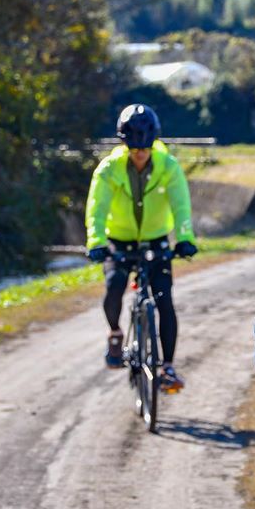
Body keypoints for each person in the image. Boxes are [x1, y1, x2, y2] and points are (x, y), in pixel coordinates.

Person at [86, 104, 198, 393]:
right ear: (124, 144)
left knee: (165, 302)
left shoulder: (168, 166)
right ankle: (115, 333)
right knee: (113, 286)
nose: (140, 154)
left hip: (156, 239)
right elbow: (96, 208)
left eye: (145, 148)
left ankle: (168, 367)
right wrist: (96, 242)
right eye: (134, 148)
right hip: (119, 240)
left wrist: (185, 238)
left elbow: (181, 205)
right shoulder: (109, 169)